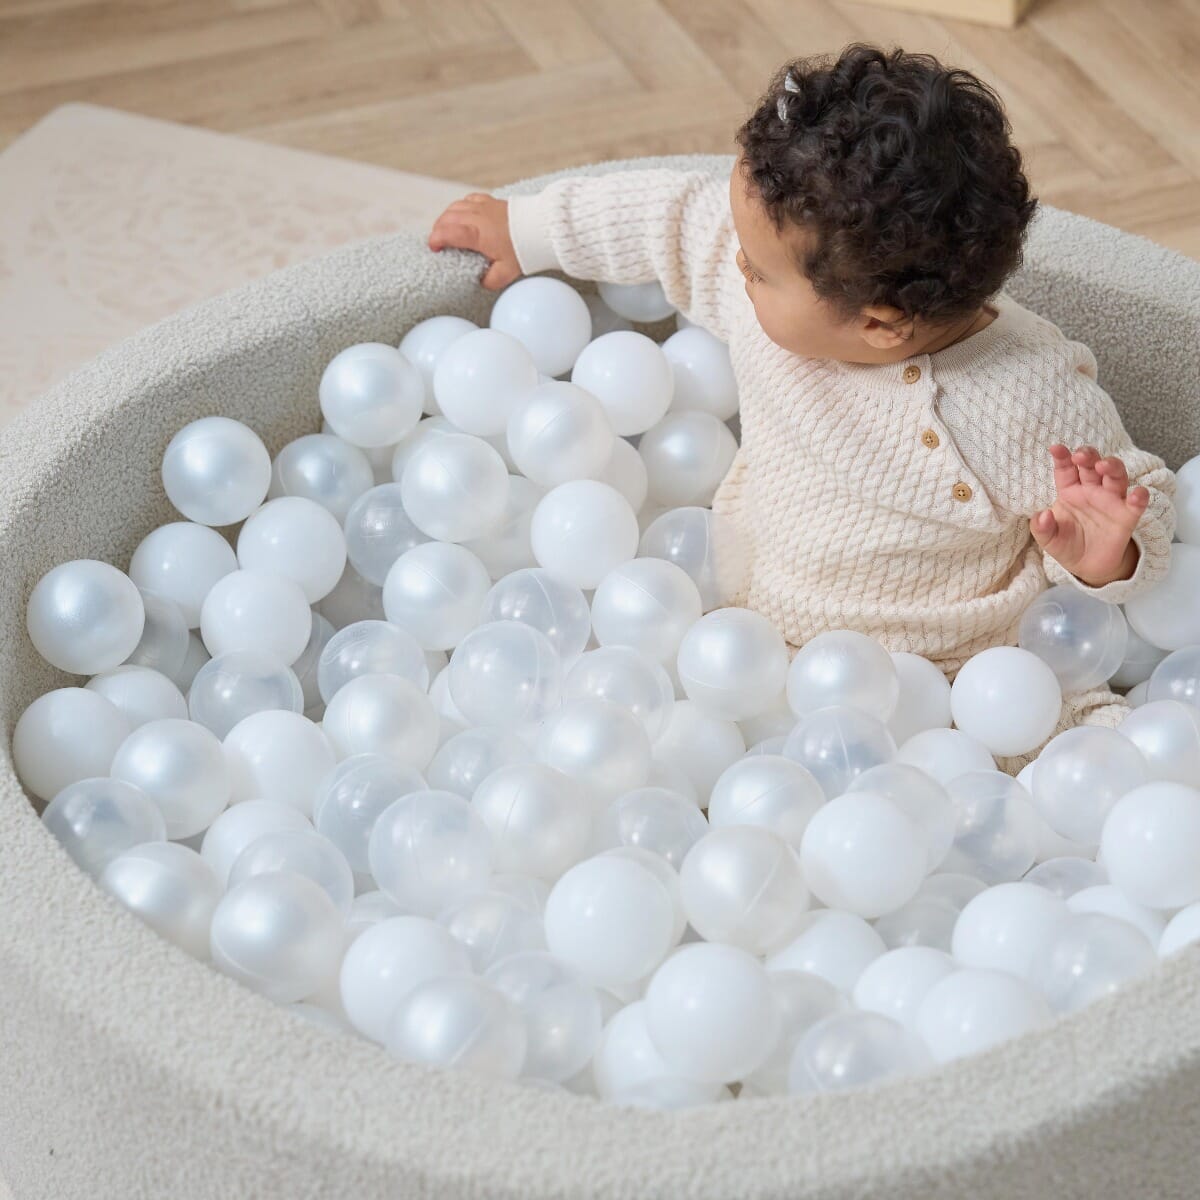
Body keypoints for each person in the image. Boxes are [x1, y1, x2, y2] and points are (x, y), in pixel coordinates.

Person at [428, 43, 1176, 767]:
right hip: (751, 640)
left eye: (756, 272)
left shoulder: (1027, 399)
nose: (734, 266)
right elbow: (674, 220)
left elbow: (1143, 494)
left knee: (1072, 748)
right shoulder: (775, 284)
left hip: (952, 679)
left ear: (878, 325)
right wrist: (530, 229)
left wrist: (1109, 553)